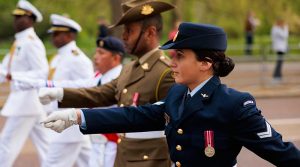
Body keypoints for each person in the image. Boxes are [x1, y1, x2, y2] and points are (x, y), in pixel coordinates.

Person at [43, 22, 300, 167]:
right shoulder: (178, 94)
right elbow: (136, 116)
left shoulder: (234, 104)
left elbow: (280, 151)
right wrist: (78, 116)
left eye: (180, 56)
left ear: (205, 63)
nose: (172, 62)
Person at [38, 0, 175, 167]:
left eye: (129, 31)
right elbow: (102, 93)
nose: (123, 36)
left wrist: (77, 116)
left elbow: (169, 125)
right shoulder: (130, 68)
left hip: (151, 159)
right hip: (123, 154)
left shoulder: (166, 72)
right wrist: (61, 93)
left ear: (150, 33)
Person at [13, 36, 125, 167]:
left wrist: (56, 92)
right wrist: (43, 84)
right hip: (99, 141)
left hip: (114, 143)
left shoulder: (121, 78)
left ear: (116, 58)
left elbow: (92, 95)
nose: (95, 57)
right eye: (96, 52)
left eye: (101, 53)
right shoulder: (100, 76)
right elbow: (78, 85)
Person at [0, 0, 49, 166]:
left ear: (30, 19)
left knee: (6, 144)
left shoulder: (31, 42)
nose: (15, 20)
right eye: (15, 17)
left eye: (20, 17)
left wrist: (14, 76)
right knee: (47, 145)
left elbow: (42, 72)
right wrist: (9, 74)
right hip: (29, 104)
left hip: (25, 102)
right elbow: (4, 70)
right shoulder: (19, 42)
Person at [41, 14, 94, 167]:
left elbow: (89, 89)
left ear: (70, 35)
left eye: (58, 34)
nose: (53, 37)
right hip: (62, 120)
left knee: (52, 163)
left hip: (69, 125)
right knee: (90, 161)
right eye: (53, 33)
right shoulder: (59, 57)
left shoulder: (77, 59)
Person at [271, 18, 288, 82]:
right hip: (279, 48)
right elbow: (285, 35)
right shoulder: (276, 29)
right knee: (279, 62)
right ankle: (276, 76)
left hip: (281, 47)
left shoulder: (276, 28)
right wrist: (286, 28)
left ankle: (279, 75)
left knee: (280, 62)